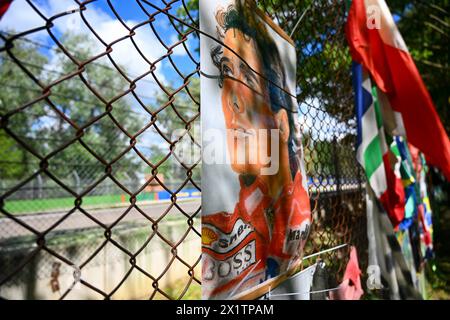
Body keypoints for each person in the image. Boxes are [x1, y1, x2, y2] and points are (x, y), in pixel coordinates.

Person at [202, 0, 311, 299]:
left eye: (248, 77)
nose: (231, 100)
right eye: (226, 73)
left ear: (282, 123)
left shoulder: (299, 213)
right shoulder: (218, 229)